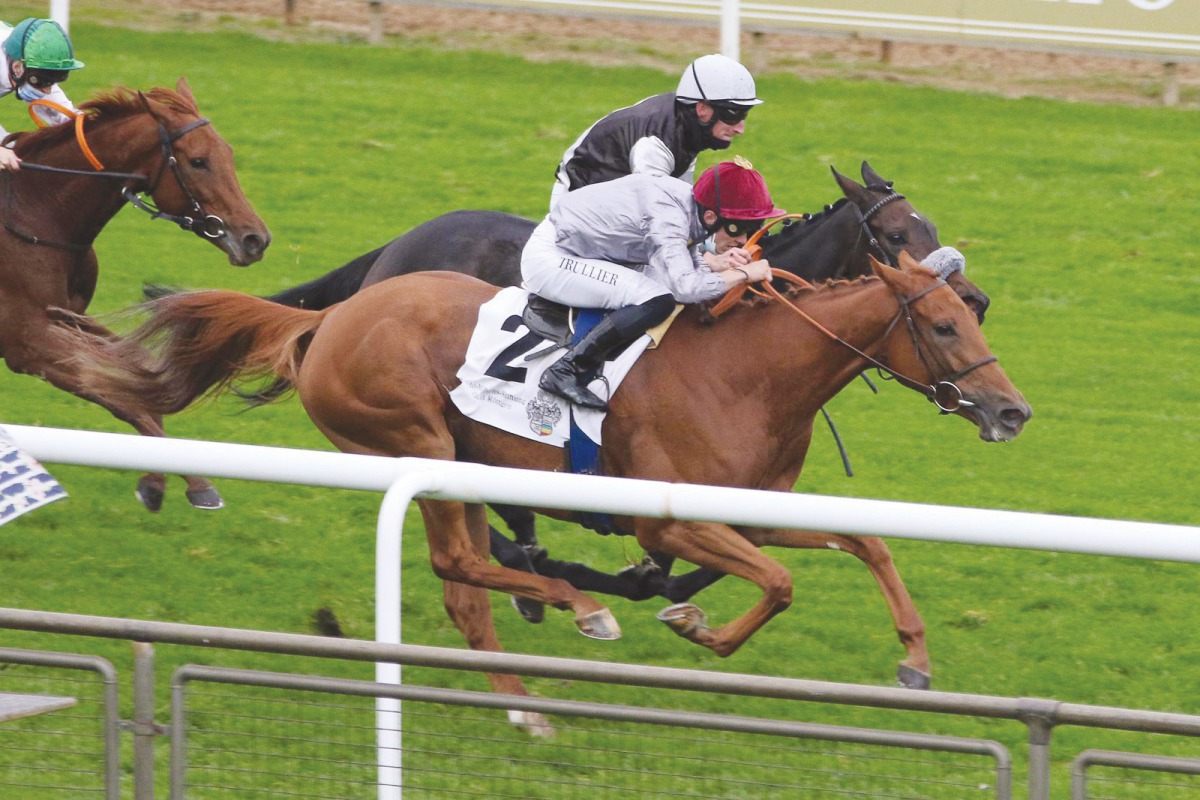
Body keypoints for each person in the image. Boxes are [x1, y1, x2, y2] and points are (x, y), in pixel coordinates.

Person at [522, 158, 785, 411]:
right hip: (554, 257)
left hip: (589, 247)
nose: (743, 240)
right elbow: (686, 288)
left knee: (662, 290)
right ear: (710, 217)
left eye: (752, 229)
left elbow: (683, 261)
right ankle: (567, 369)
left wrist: (717, 264)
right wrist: (745, 274)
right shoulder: (668, 217)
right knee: (657, 299)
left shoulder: (689, 204)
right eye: (737, 229)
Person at [550, 53, 761, 210]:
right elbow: (656, 213)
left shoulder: (687, 126)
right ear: (702, 108)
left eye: (745, 115)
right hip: (575, 204)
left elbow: (683, 200)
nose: (740, 128)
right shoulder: (655, 144)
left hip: (611, 201)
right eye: (732, 115)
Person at [0, 18, 85, 171]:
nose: (47, 91)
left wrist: (84, 126)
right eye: (42, 82)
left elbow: (66, 115)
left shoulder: (21, 60)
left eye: (51, 82)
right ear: (17, 67)